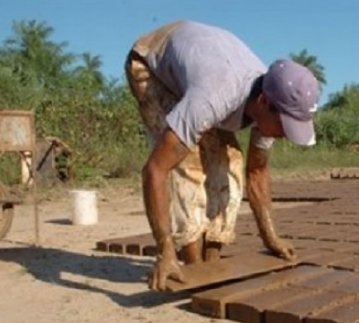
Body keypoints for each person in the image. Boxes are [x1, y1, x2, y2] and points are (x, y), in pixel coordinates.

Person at [124, 20, 320, 291]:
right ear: (264, 103)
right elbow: (155, 169)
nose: (286, 134)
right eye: (286, 126)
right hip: (152, 63)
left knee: (231, 164)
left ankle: (211, 265)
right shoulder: (215, 96)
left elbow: (256, 172)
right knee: (188, 164)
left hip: (203, 68)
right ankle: (193, 270)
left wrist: (271, 238)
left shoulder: (271, 102)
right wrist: (164, 250)